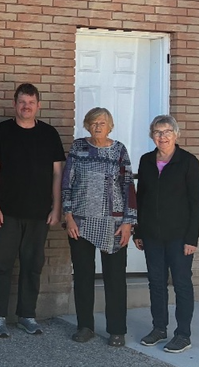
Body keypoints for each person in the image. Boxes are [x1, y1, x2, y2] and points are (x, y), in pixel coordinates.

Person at [0, 84, 65, 337]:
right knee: (1, 265)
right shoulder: (0, 132)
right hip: (6, 212)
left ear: (38, 105)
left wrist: (57, 207)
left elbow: (57, 174)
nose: (26, 107)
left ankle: (27, 315)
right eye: (22, 102)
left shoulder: (49, 134)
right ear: (14, 104)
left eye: (31, 102)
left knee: (32, 265)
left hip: (39, 214)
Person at [62, 107, 136, 346]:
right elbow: (67, 182)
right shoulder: (78, 148)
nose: (97, 127)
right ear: (86, 125)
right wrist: (68, 216)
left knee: (115, 278)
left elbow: (128, 187)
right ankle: (85, 326)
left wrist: (128, 222)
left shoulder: (119, 150)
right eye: (93, 123)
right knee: (83, 276)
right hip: (80, 223)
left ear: (110, 126)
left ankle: (117, 330)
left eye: (102, 123)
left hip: (113, 224)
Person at [134, 115, 199, 353]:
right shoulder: (145, 161)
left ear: (175, 134)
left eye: (166, 132)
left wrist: (191, 238)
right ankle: (159, 328)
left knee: (182, 284)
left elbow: (197, 202)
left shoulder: (188, 162)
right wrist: (138, 231)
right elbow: (140, 197)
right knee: (156, 283)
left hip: (179, 237)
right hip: (152, 235)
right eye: (157, 132)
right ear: (151, 135)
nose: (162, 137)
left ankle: (183, 334)